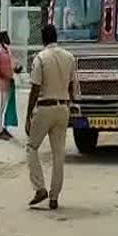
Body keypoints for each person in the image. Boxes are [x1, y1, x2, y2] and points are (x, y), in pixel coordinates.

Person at [25, 24, 80, 210]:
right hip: (63, 107)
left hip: (45, 107)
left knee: (32, 147)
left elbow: (35, 88)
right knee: (59, 154)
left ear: (43, 39)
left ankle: (40, 187)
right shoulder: (69, 57)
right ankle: (54, 197)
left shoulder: (40, 58)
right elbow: (72, 85)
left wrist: (28, 114)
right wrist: (72, 104)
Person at [0, 31, 22, 140]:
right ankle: (0, 131)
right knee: (1, 108)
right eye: (6, 37)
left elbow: (12, 65)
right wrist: (5, 76)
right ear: (2, 40)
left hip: (9, 82)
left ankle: (4, 127)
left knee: (7, 107)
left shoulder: (8, 51)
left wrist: (16, 70)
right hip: (2, 84)